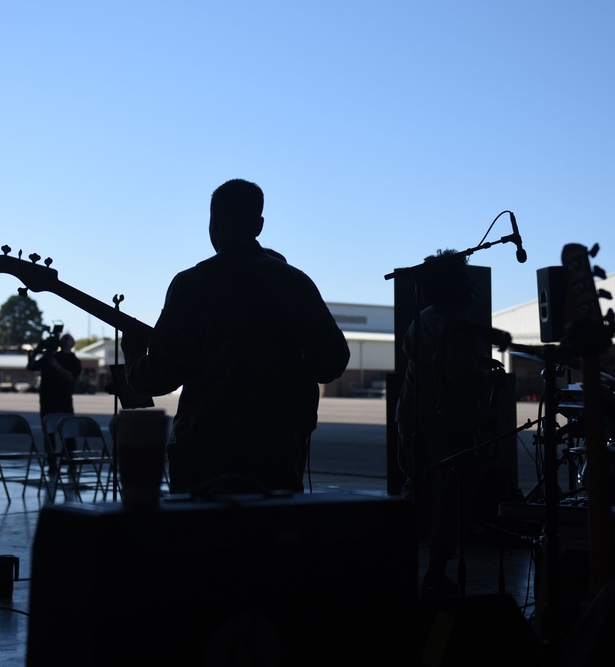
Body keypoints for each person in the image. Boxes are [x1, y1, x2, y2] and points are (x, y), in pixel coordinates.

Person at [122, 179, 350, 494]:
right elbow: (333, 361)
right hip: (278, 452)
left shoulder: (192, 284)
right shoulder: (296, 283)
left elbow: (160, 377)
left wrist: (133, 357)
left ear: (213, 223)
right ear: (258, 226)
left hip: (205, 452)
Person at [394, 250, 506, 597]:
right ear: (454, 286)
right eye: (465, 281)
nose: (471, 287)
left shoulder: (422, 318)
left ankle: (399, 568)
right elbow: (458, 378)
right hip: (445, 425)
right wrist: (488, 378)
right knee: (451, 497)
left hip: (412, 415)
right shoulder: (456, 326)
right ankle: (436, 572)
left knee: (416, 491)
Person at [27, 331, 82, 420]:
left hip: (63, 401)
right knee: (48, 427)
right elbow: (31, 367)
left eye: (66, 340)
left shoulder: (74, 361)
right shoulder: (50, 357)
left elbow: (70, 378)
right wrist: (36, 352)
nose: (64, 341)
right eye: (63, 339)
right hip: (47, 400)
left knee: (65, 426)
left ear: (72, 344)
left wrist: (56, 366)